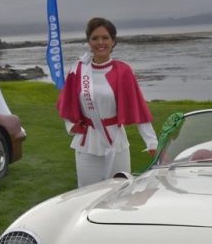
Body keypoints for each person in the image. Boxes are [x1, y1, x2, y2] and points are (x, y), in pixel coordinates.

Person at [57, 17, 157, 188]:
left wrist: (152, 143)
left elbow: (139, 108)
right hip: (87, 144)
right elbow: (66, 104)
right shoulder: (78, 70)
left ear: (113, 41)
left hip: (116, 142)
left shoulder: (123, 71)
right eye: (95, 38)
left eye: (105, 38)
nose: (100, 43)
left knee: (120, 194)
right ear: (88, 41)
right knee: (87, 195)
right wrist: (71, 126)